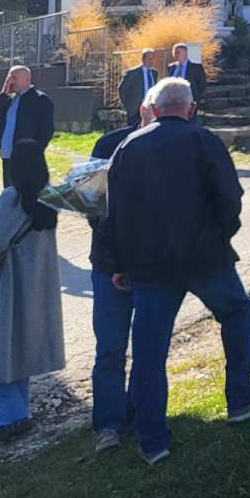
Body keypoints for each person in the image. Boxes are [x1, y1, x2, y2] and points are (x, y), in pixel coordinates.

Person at [107, 77, 250, 465]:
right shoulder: (203, 140)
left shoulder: (128, 147)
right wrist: (220, 236)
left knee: (149, 350)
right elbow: (230, 198)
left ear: (153, 109)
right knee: (235, 312)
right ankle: (240, 397)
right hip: (204, 257)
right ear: (191, 108)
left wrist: (120, 263)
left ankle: (152, 439)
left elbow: (115, 214)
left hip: (149, 264)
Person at [0, 138, 66, 447]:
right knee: (17, 350)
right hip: (36, 284)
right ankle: (17, 412)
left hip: (10, 283)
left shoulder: (12, 196)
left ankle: (6, 418)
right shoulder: (48, 196)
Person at [86, 107, 148, 453]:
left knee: (148, 347)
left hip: (152, 267)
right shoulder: (108, 145)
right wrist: (115, 259)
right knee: (110, 348)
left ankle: (141, 416)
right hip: (107, 264)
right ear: (144, 111)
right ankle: (109, 424)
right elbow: (92, 205)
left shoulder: (172, 145)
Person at [0, 66, 54, 188]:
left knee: (27, 191)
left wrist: (35, 151)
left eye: (14, 78)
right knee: (10, 192)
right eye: (9, 78)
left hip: (27, 158)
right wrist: (4, 93)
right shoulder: (9, 99)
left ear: (27, 80)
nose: (10, 81)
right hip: (8, 156)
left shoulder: (41, 100)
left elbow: (47, 131)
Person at [118, 49, 161, 127]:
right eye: (149, 58)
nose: (151, 61)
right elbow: (122, 89)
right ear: (143, 59)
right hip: (135, 110)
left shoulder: (154, 73)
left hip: (149, 109)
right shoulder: (133, 73)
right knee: (133, 130)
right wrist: (127, 105)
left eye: (153, 58)